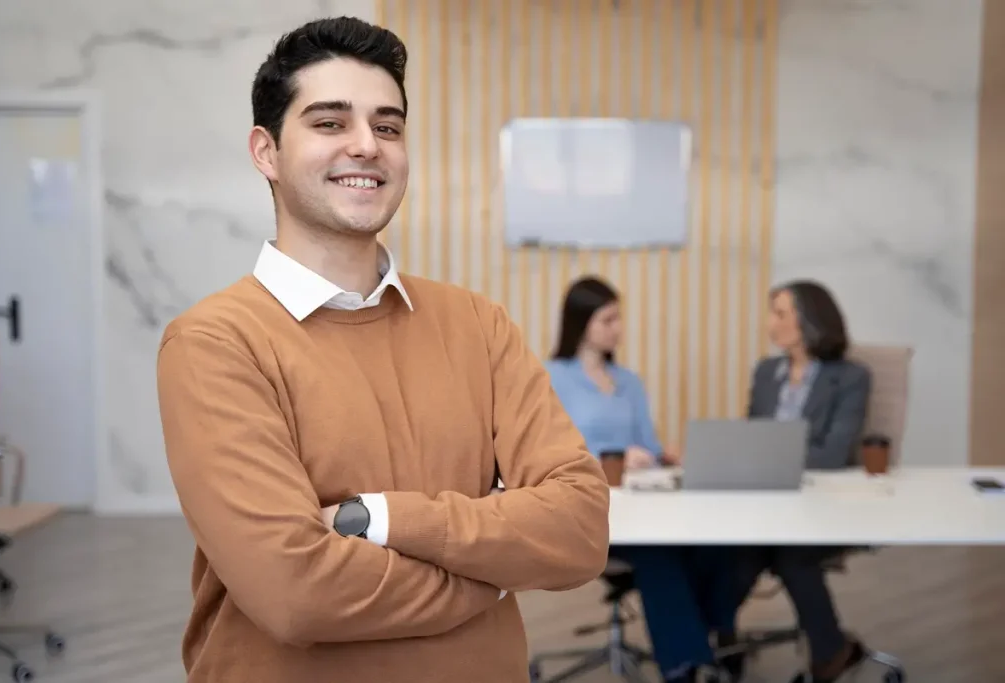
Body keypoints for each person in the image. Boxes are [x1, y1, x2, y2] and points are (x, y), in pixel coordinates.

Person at [155, 17, 610, 683]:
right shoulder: (214, 343)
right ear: (266, 151)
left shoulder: (476, 323)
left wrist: (382, 518)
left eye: (388, 127)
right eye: (330, 122)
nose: (367, 145)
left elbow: (580, 528)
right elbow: (297, 593)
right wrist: (492, 577)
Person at [545, 276, 739, 683]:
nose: (618, 329)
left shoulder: (629, 381)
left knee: (716, 542)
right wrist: (611, 456)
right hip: (588, 506)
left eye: (618, 319)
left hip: (640, 501)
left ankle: (703, 642)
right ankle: (688, 668)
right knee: (657, 554)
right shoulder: (552, 377)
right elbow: (548, 449)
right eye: (608, 320)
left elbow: (648, 444)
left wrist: (669, 455)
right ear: (581, 323)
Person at [725, 280, 872, 683]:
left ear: (810, 320)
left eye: (780, 314)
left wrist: (770, 456)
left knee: (788, 552)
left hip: (822, 504)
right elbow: (753, 440)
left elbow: (832, 455)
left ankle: (829, 652)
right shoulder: (767, 372)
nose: (770, 323)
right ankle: (720, 638)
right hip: (766, 503)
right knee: (732, 548)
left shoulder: (851, 378)